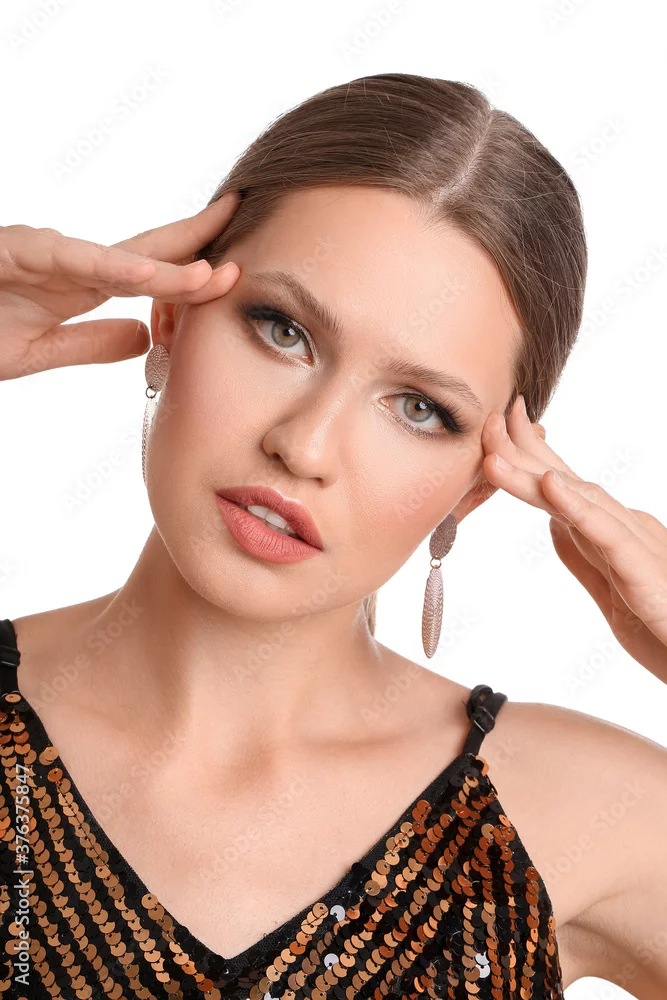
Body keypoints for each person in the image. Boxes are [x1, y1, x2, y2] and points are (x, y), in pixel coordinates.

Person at [1, 73, 665, 1000]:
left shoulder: (583, 812)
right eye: (282, 331)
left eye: (419, 408)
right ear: (170, 318)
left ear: (479, 482)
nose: (305, 446)